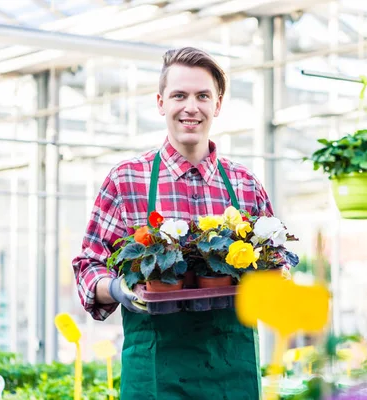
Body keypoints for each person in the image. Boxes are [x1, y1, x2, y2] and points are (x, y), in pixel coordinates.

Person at [72, 47, 281, 399]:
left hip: (231, 373)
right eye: (179, 95)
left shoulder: (245, 184)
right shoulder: (126, 181)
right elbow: (86, 267)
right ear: (160, 102)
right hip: (154, 373)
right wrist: (121, 289)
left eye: (203, 96)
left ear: (217, 105)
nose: (191, 107)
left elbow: (274, 263)